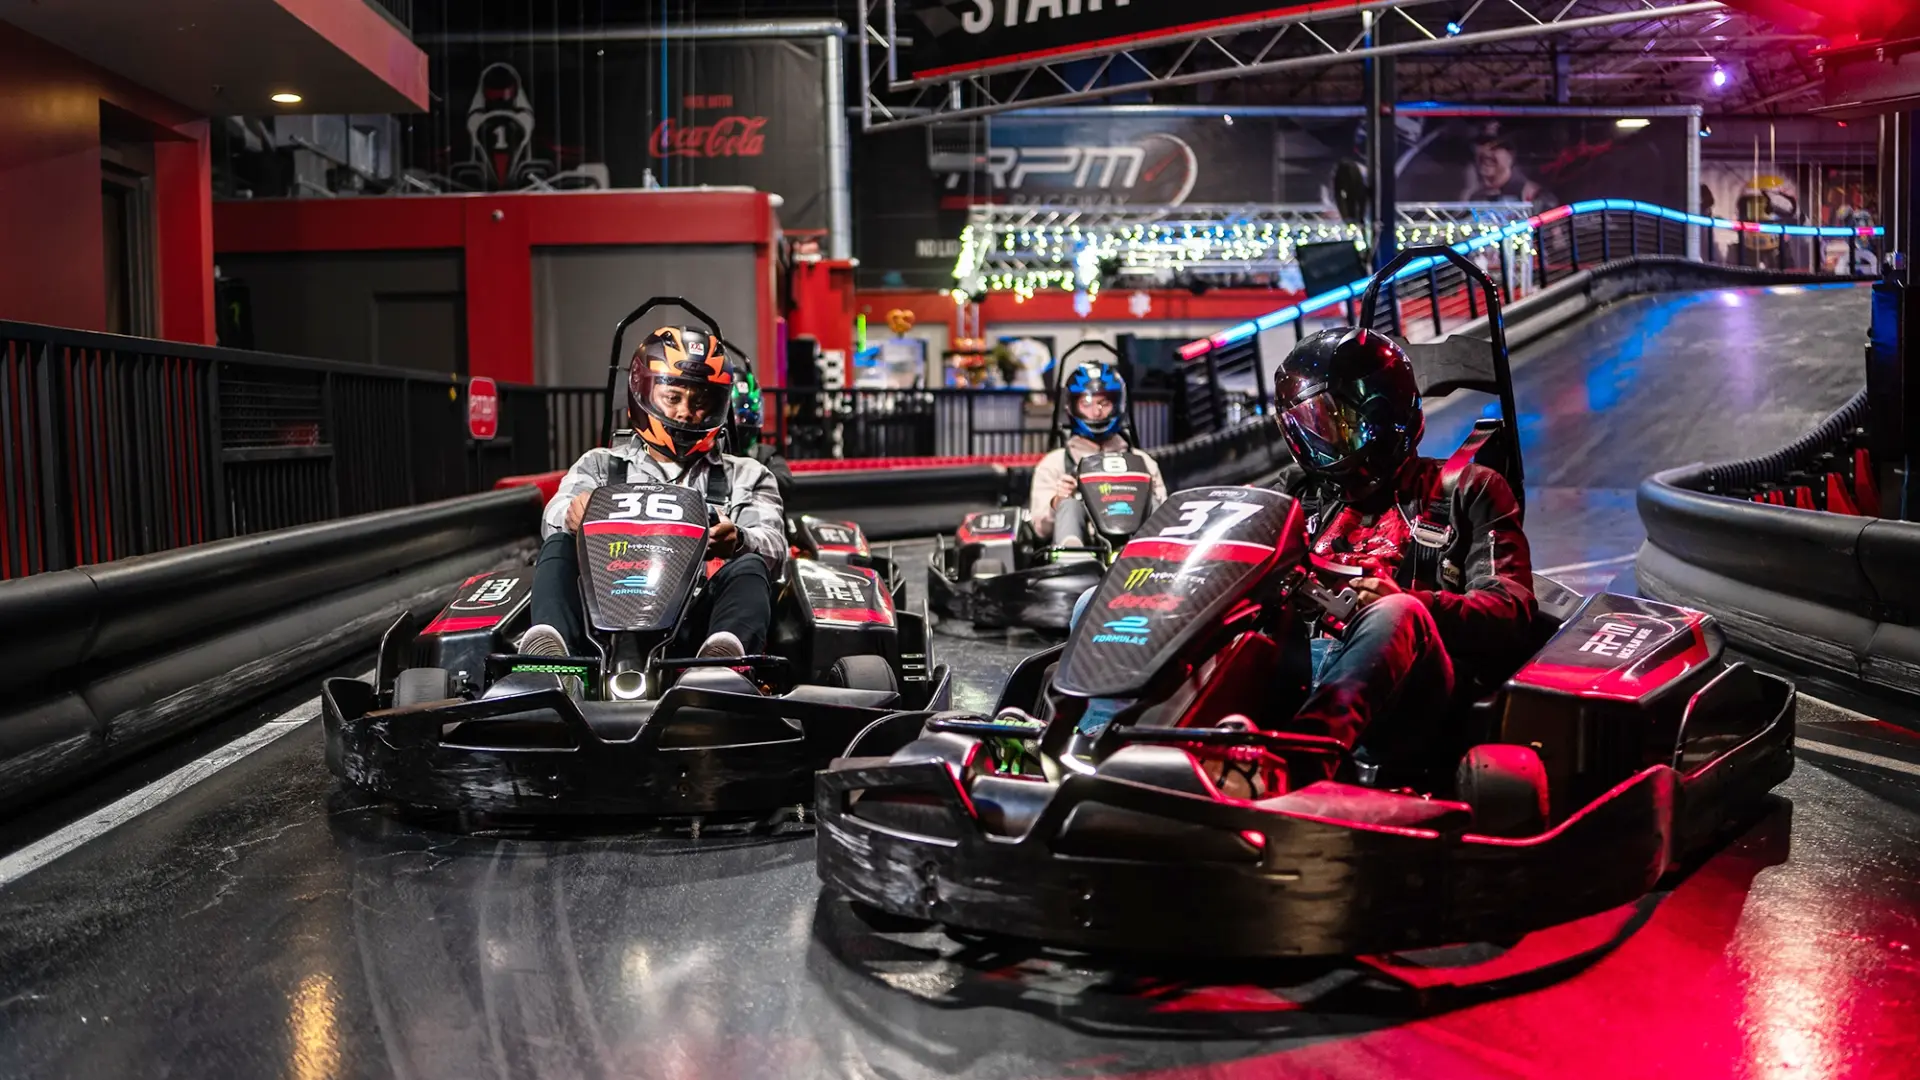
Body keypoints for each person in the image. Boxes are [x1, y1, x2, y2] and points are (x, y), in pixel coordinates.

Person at [1271, 326, 1536, 779]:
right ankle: (1124, 746)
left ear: (1377, 414)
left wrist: (1416, 602)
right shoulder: (1300, 496)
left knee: (1398, 612)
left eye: (1329, 422)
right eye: (1308, 425)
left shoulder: (1467, 490)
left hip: (1415, 695)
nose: (1318, 439)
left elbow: (1512, 609)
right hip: (1295, 676)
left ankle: (1299, 766)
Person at [517, 326, 786, 661]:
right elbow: (553, 517)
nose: (686, 413)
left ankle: (720, 665)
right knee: (558, 545)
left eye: (701, 402)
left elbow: (775, 543)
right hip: (599, 616)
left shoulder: (746, 475)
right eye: (673, 398)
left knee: (750, 566)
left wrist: (739, 539)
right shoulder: (601, 466)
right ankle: (552, 660)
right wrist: (571, 514)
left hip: (695, 621)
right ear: (643, 393)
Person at [1027, 358, 1168, 547]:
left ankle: (1155, 553)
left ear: (1118, 404)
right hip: (1085, 559)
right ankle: (1071, 554)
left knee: (1153, 501)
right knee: (1069, 505)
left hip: (1136, 558)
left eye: (1104, 403)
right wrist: (1058, 501)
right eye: (1087, 404)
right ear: (1073, 407)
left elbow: (1168, 517)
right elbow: (1040, 528)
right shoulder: (1054, 464)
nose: (1096, 412)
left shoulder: (1143, 463)